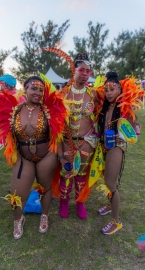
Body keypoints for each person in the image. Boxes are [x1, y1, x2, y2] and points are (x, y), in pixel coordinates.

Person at [0, 75, 67, 239]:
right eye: (34, 88)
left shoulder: (48, 110)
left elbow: (57, 136)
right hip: (24, 158)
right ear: (25, 89)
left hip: (46, 156)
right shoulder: (14, 111)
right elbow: (7, 135)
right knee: (16, 193)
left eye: (41, 89)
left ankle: (44, 215)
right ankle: (19, 219)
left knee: (44, 188)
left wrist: (61, 158)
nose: (38, 92)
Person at [95, 71, 142, 235]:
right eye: (106, 89)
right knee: (105, 178)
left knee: (111, 183)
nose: (108, 92)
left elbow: (134, 131)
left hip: (117, 147)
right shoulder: (105, 107)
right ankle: (109, 205)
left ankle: (116, 222)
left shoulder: (127, 107)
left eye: (112, 88)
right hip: (103, 147)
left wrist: (123, 135)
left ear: (120, 89)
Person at [54, 52, 98, 220]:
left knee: (81, 175)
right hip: (67, 143)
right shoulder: (63, 94)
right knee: (67, 173)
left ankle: (80, 202)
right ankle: (63, 203)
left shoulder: (94, 94)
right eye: (82, 70)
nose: (85, 74)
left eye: (88, 71)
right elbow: (57, 127)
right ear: (74, 71)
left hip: (87, 142)